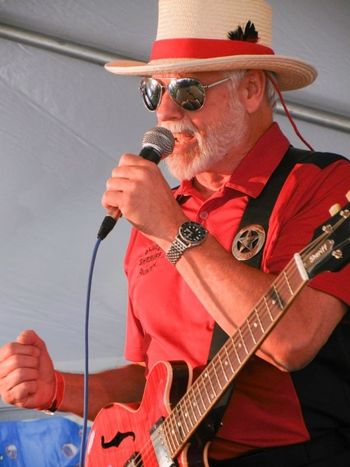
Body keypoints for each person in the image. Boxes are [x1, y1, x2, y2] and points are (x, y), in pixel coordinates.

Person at [0, 0, 350, 465]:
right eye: (152, 90)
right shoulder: (159, 214)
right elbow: (153, 378)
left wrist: (172, 230)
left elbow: (290, 342)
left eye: (187, 91)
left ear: (250, 89)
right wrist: (59, 388)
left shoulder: (323, 185)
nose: (163, 111)